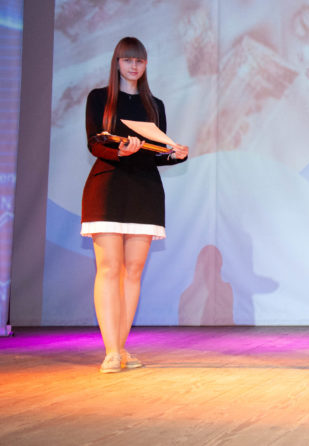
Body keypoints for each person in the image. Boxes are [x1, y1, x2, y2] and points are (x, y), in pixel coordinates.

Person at [81, 37, 189, 373]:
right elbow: (94, 144)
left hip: (145, 191)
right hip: (108, 188)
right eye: (128, 60)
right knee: (109, 268)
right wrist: (119, 150)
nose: (133, 66)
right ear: (116, 62)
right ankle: (111, 351)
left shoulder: (154, 105)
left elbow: (156, 154)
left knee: (133, 272)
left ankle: (120, 347)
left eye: (139, 61)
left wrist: (176, 155)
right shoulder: (99, 98)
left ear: (146, 65)